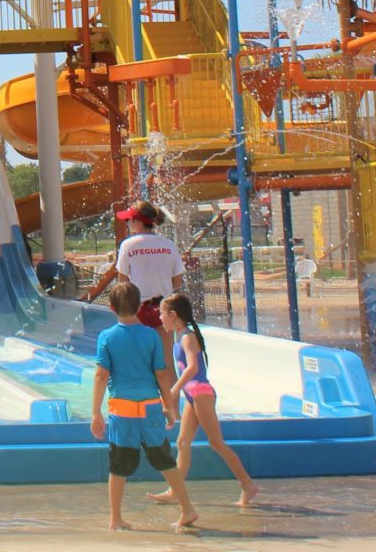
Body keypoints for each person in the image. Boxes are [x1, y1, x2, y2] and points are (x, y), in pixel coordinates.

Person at [91, 279, 197, 531]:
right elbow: (161, 374)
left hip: (122, 411)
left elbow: (101, 376)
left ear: (111, 306)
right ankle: (187, 509)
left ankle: (115, 518)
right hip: (150, 408)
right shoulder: (151, 335)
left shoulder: (107, 336)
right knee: (164, 460)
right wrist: (169, 407)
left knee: (118, 466)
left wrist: (95, 411)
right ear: (139, 306)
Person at [149, 292, 257, 508]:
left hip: (200, 393)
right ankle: (174, 490)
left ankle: (247, 484)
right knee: (182, 442)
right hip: (192, 395)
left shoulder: (188, 337)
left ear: (173, 314)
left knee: (216, 443)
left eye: (161, 314)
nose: (159, 318)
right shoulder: (179, 337)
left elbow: (193, 368)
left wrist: (173, 391)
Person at [83, 202, 185, 339]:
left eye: (128, 219)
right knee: (166, 358)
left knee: (139, 357)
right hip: (164, 308)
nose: (126, 222)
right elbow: (178, 281)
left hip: (137, 309)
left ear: (137, 221)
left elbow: (123, 284)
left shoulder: (128, 245)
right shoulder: (169, 245)